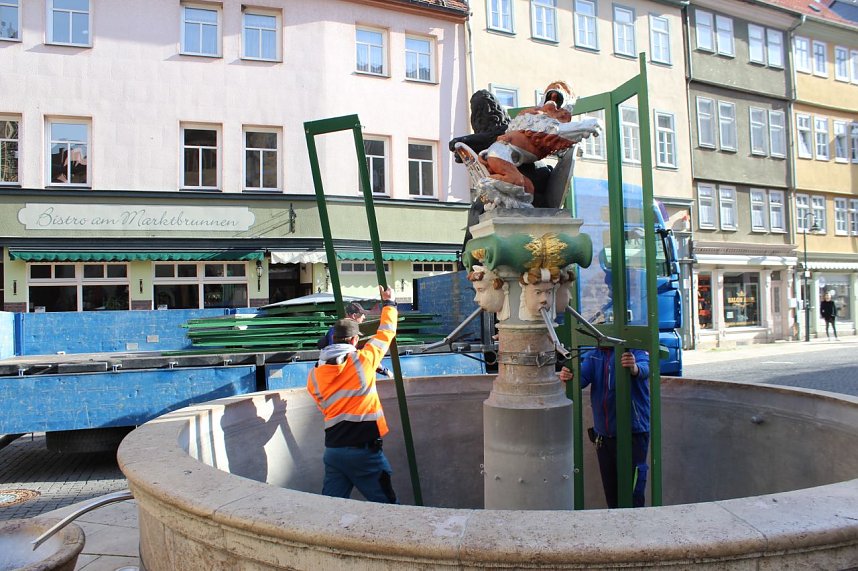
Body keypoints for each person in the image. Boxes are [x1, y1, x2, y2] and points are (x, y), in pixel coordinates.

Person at [306, 285, 399, 503]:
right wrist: (389, 303)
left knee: (331, 507)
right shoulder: (363, 360)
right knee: (389, 509)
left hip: (334, 452)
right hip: (363, 452)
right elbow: (386, 332)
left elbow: (327, 406)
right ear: (354, 340)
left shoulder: (314, 375)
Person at [558, 348, 650, 508]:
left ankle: (634, 522)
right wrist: (568, 376)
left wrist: (634, 368)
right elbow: (581, 378)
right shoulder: (594, 355)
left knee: (633, 492)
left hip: (633, 434)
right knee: (611, 492)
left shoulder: (633, 350)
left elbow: (645, 368)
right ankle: (615, 521)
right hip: (604, 437)